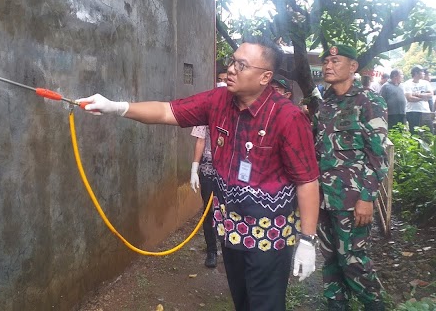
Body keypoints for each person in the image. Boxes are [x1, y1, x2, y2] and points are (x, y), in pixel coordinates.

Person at [77, 36, 321, 311]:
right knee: (242, 301)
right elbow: (167, 111)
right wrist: (116, 107)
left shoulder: (287, 117)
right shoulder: (218, 100)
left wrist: (308, 240)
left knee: (265, 304)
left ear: (265, 77)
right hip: (231, 227)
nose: (231, 69)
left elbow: (307, 180)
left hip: (269, 233)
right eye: (232, 61)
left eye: (241, 65)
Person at [314, 44, 389, 311]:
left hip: (352, 199)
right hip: (325, 198)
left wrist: (367, 198)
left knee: (353, 259)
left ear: (353, 67)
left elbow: (378, 156)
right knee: (330, 257)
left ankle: (374, 305)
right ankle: (336, 305)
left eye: (335, 61)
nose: (328, 66)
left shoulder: (369, 101)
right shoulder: (325, 103)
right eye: (326, 61)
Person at [190, 67, 228, 268]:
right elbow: (200, 140)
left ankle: (229, 248)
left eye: (226, 79)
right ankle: (212, 251)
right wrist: (194, 168)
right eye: (219, 79)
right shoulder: (208, 109)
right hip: (208, 168)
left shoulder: (236, 108)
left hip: (230, 170)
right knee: (208, 210)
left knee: (229, 210)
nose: (222, 83)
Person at [402, 65, 433, 133]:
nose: (423, 74)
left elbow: (430, 95)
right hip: (412, 111)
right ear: (416, 73)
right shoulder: (407, 84)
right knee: (415, 133)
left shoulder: (425, 83)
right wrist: (423, 98)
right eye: (422, 72)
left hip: (425, 111)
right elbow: (409, 98)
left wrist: (418, 95)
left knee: (428, 133)